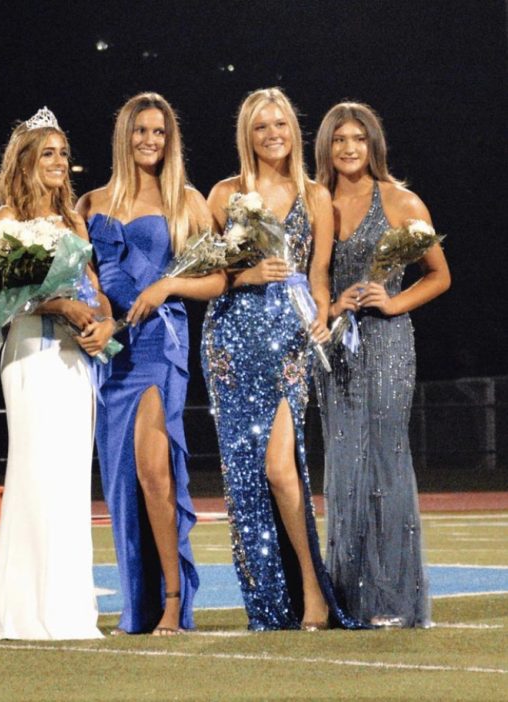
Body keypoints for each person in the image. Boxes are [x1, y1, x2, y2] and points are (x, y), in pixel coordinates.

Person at [202, 87, 358, 631]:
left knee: (280, 469)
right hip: (231, 340)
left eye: (282, 124)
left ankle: (312, 592)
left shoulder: (316, 197)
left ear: (294, 130)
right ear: (248, 134)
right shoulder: (223, 194)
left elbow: (318, 278)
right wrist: (245, 276)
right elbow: (209, 277)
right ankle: (269, 603)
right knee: (246, 477)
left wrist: (321, 314)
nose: (273, 134)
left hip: (290, 342)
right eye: (262, 126)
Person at [77, 93, 225, 635]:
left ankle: (171, 598)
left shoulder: (185, 200)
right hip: (111, 352)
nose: (150, 140)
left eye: (160, 132)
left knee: (153, 472)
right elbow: (80, 277)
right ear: (124, 136)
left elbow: (217, 279)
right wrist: (96, 318)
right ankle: (136, 604)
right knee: (120, 480)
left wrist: (167, 284)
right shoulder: (90, 202)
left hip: (160, 344)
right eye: (141, 130)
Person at [0, 108, 115, 640]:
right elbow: (5, 302)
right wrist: (58, 306)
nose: (59, 162)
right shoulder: (6, 222)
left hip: (77, 356)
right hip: (32, 353)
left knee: (70, 477)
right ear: (26, 161)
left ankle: (66, 611)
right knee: (35, 471)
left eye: (63, 153)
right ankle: (21, 610)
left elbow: (93, 287)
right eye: (48, 153)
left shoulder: (74, 222)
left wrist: (102, 318)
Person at [314, 102, 449, 628]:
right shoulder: (317, 201)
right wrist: (329, 308)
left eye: (359, 139)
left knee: (385, 464)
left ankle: (393, 601)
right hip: (337, 351)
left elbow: (438, 275)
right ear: (326, 147)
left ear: (374, 144)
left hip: (389, 346)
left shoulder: (400, 200)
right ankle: (348, 599)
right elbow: (315, 274)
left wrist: (392, 302)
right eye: (339, 139)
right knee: (345, 468)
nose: (349, 148)